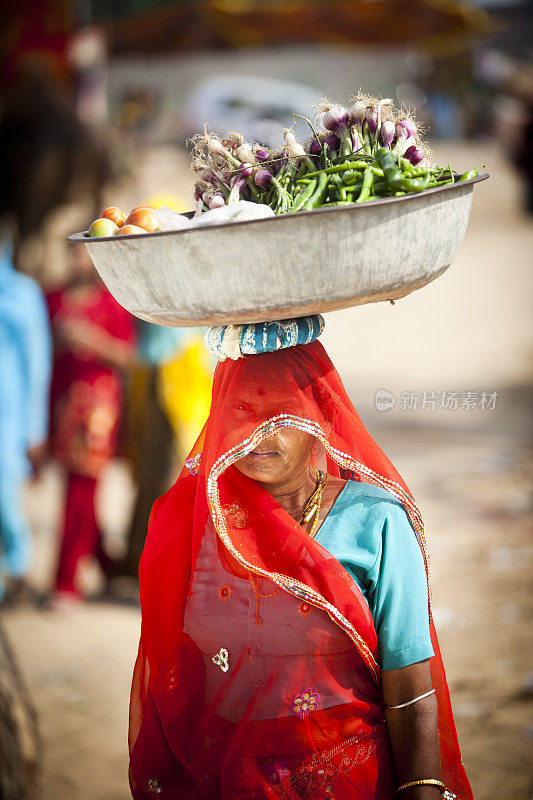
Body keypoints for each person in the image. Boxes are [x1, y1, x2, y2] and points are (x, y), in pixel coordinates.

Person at [128, 318, 472, 800]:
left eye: (279, 413)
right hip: (224, 783)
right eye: (243, 411)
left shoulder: (377, 523)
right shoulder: (191, 525)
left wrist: (421, 790)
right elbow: (172, 682)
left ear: (318, 416)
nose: (257, 433)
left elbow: (411, 693)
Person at [46, 243, 135, 601]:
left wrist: (93, 341)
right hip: (61, 404)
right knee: (76, 490)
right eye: (74, 251)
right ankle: (106, 564)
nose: (79, 258)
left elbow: (129, 356)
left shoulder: (112, 302)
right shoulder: (52, 299)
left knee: (81, 490)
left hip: (98, 410)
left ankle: (65, 582)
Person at [0, 232, 52, 605]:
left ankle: (19, 570)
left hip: (10, 420)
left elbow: (37, 367)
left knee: (5, 499)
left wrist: (35, 429)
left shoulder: (21, 294)